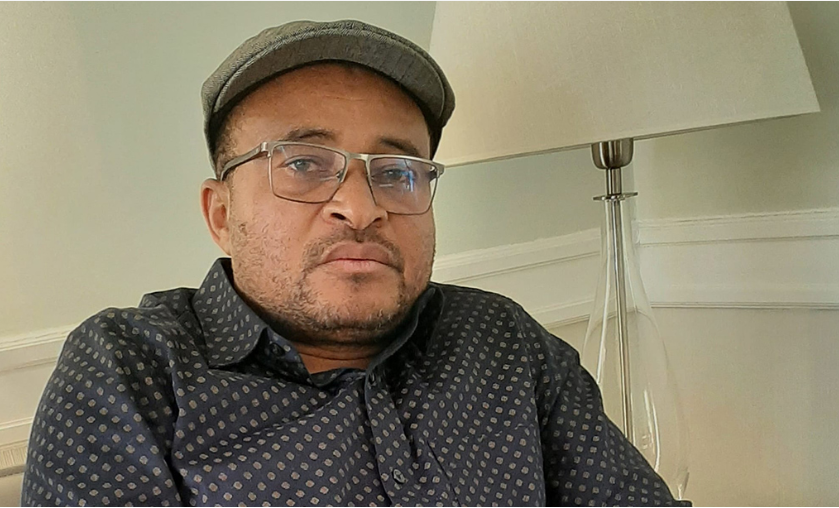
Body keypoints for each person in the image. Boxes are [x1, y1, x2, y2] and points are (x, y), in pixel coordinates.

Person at [22, 20, 689, 506]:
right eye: (304, 164)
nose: (361, 207)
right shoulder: (130, 370)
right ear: (221, 214)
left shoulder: (503, 342)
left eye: (396, 171)